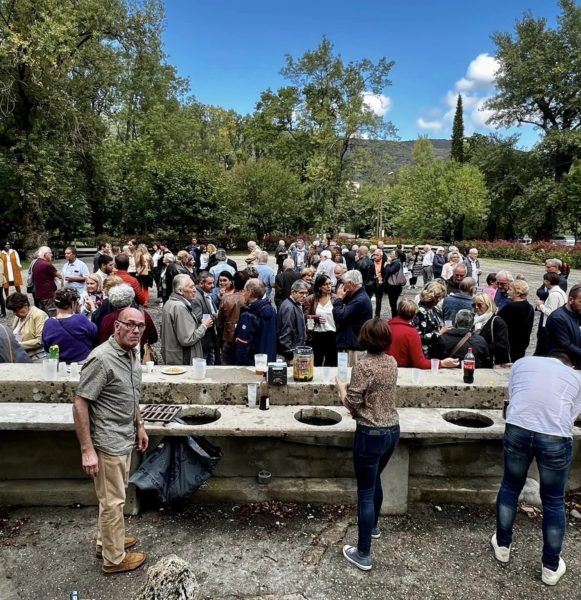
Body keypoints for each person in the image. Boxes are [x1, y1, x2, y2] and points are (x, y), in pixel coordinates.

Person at [492, 353, 581, 586]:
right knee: (553, 500)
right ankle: (550, 567)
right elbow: (572, 415)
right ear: (567, 363)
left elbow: (514, 396)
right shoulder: (576, 376)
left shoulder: (521, 364)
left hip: (518, 426)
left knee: (510, 486)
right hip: (554, 436)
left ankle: (502, 545)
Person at [72, 307, 148, 574]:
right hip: (107, 442)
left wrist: (139, 426)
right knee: (113, 501)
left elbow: (132, 394)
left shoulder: (131, 353)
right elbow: (80, 403)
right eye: (130, 324)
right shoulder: (101, 359)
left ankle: (106, 542)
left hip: (124, 436)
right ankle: (114, 559)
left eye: (140, 326)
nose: (136, 330)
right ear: (117, 326)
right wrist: (87, 450)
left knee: (112, 498)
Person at [335, 318, 400, 571]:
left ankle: (363, 553)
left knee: (365, 491)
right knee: (376, 480)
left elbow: (351, 403)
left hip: (370, 433)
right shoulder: (391, 362)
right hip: (392, 429)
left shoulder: (363, 366)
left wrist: (341, 388)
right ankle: (373, 527)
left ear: (364, 339)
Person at [387, 299, 458, 369]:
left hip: (387, 366)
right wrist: (442, 363)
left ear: (398, 311)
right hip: (402, 368)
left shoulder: (386, 326)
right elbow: (420, 363)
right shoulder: (411, 333)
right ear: (414, 315)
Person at [161, 274, 211, 365]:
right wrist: (204, 326)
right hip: (183, 359)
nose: (195, 290)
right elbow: (187, 339)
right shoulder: (180, 307)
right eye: (191, 287)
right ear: (180, 290)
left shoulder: (169, 303)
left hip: (174, 356)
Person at [42, 288, 97, 363]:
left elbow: (46, 346)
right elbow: (94, 333)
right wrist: (93, 308)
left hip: (60, 363)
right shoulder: (80, 319)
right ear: (73, 304)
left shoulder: (48, 323)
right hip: (82, 360)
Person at [97, 284, 157, 349]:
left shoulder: (107, 319)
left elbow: (103, 342)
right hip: (138, 356)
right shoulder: (142, 314)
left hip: (114, 356)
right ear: (131, 298)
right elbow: (153, 338)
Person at [333, 270, 373, 366]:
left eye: (344, 284)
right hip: (352, 342)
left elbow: (340, 316)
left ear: (350, 284)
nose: (342, 287)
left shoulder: (359, 300)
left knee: (349, 375)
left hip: (353, 345)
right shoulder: (356, 296)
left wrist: (338, 299)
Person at [234, 278, 277, 365]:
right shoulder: (272, 310)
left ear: (250, 292)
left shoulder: (248, 315)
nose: (243, 293)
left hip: (253, 364)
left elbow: (242, 344)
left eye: (244, 290)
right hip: (269, 361)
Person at [304, 274, 337, 366]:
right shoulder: (311, 299)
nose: (329, 286)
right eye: (326, 284)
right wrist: (315, 318)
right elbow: (305, 316)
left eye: (330, 284)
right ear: (319, 286)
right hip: (317, 334)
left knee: (332, 362)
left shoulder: (335, 298)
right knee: (316, 361)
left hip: (332, 334)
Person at [545, 284, 581, 368]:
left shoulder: (578, 312)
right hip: (564, 366)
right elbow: (565, 345)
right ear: (571, 300)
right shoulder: (558, 318)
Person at [498, 279, 534, 362]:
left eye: (510, 290)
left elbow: (497, 320)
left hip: (509, 344)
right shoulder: (530, 307)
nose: (508, 292)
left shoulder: (511, 307)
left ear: (518, 293)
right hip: (522, 344)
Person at [217, 271, 248, 365]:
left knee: (226, 365)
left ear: (233, 282)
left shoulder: (226, 299)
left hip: (228, 336)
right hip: (245, 336)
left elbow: (219, 321)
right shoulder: (249, 299)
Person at [6, 292, 48, 360]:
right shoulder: (18, 316)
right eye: (13, 311)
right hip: (21, 354)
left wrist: (17, 345)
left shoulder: (39, 315)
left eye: (16, 310)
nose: (15, 313)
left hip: (37, 355)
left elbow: (39, 341)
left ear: (25, 305)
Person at [472, 292, 511, 366]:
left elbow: (502, 346)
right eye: (474, 305)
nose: (476, 307)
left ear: (488, 305)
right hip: (478, 361)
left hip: (492, 363)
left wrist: (479, 346)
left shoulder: (497, 322)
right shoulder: (473, 320)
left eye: (479, 305)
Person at [534, 272, 568, 357]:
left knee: (546, 349)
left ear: (548, 281)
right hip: (558, 324)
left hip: (550, 325)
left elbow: (550, 312)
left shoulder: (554, 294)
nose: (544, 282)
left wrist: (540, 305)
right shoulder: (561, 292)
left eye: (545, 280)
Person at [191, 272, 220, 365]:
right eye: (209, 283)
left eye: (213, 283)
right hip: (204, 340)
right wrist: (216, 315)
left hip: (209, 338)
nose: (213, 286)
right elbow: (197, 318)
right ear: (200, 283)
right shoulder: (196, 297)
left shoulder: (205, 294)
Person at [412, 280, 447, 358]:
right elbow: (421, 337)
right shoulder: (421, 312)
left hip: (433, 350)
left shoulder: (431, 309)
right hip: (426, 353)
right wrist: (440, 332)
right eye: (438, 297)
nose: (439, 300)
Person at [277, 280, 309, 363]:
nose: (304, 296)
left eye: (306, 293)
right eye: (301, 293)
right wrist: (290, 354)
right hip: (291, 353)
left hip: (297, 350)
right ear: (293, 292)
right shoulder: (289, 308)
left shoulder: (296, 304)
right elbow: (286, 333)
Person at [31, 246, 62, 317]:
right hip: (49, 294)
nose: (52, 255)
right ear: (45, 254)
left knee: (43, 315)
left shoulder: (35, 263)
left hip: (39, 294)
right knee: (53, 314)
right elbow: (60, 276)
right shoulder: (46, 265)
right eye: (50, 253)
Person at [383, 250, 405, 318]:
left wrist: (388, 264)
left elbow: (390, 271)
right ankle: (395, 317)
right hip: (393, 286)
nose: (390, 255)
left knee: (393, 304)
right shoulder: (395, 262)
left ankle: (395, 318)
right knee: (392, 303)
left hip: (395, 287)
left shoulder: (397, 263)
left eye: (392, 253)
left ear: (396, 256)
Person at [368, 249, 386, 318]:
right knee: (368, 299)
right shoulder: (370, 262)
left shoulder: (384, 262)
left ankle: (377, 314)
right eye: (374, 255)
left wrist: (383, 280)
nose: (375, 256)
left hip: (380, 283)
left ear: (381, 256)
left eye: (377, 255)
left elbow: (386, 273)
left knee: (378, 300)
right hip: (371, 283)